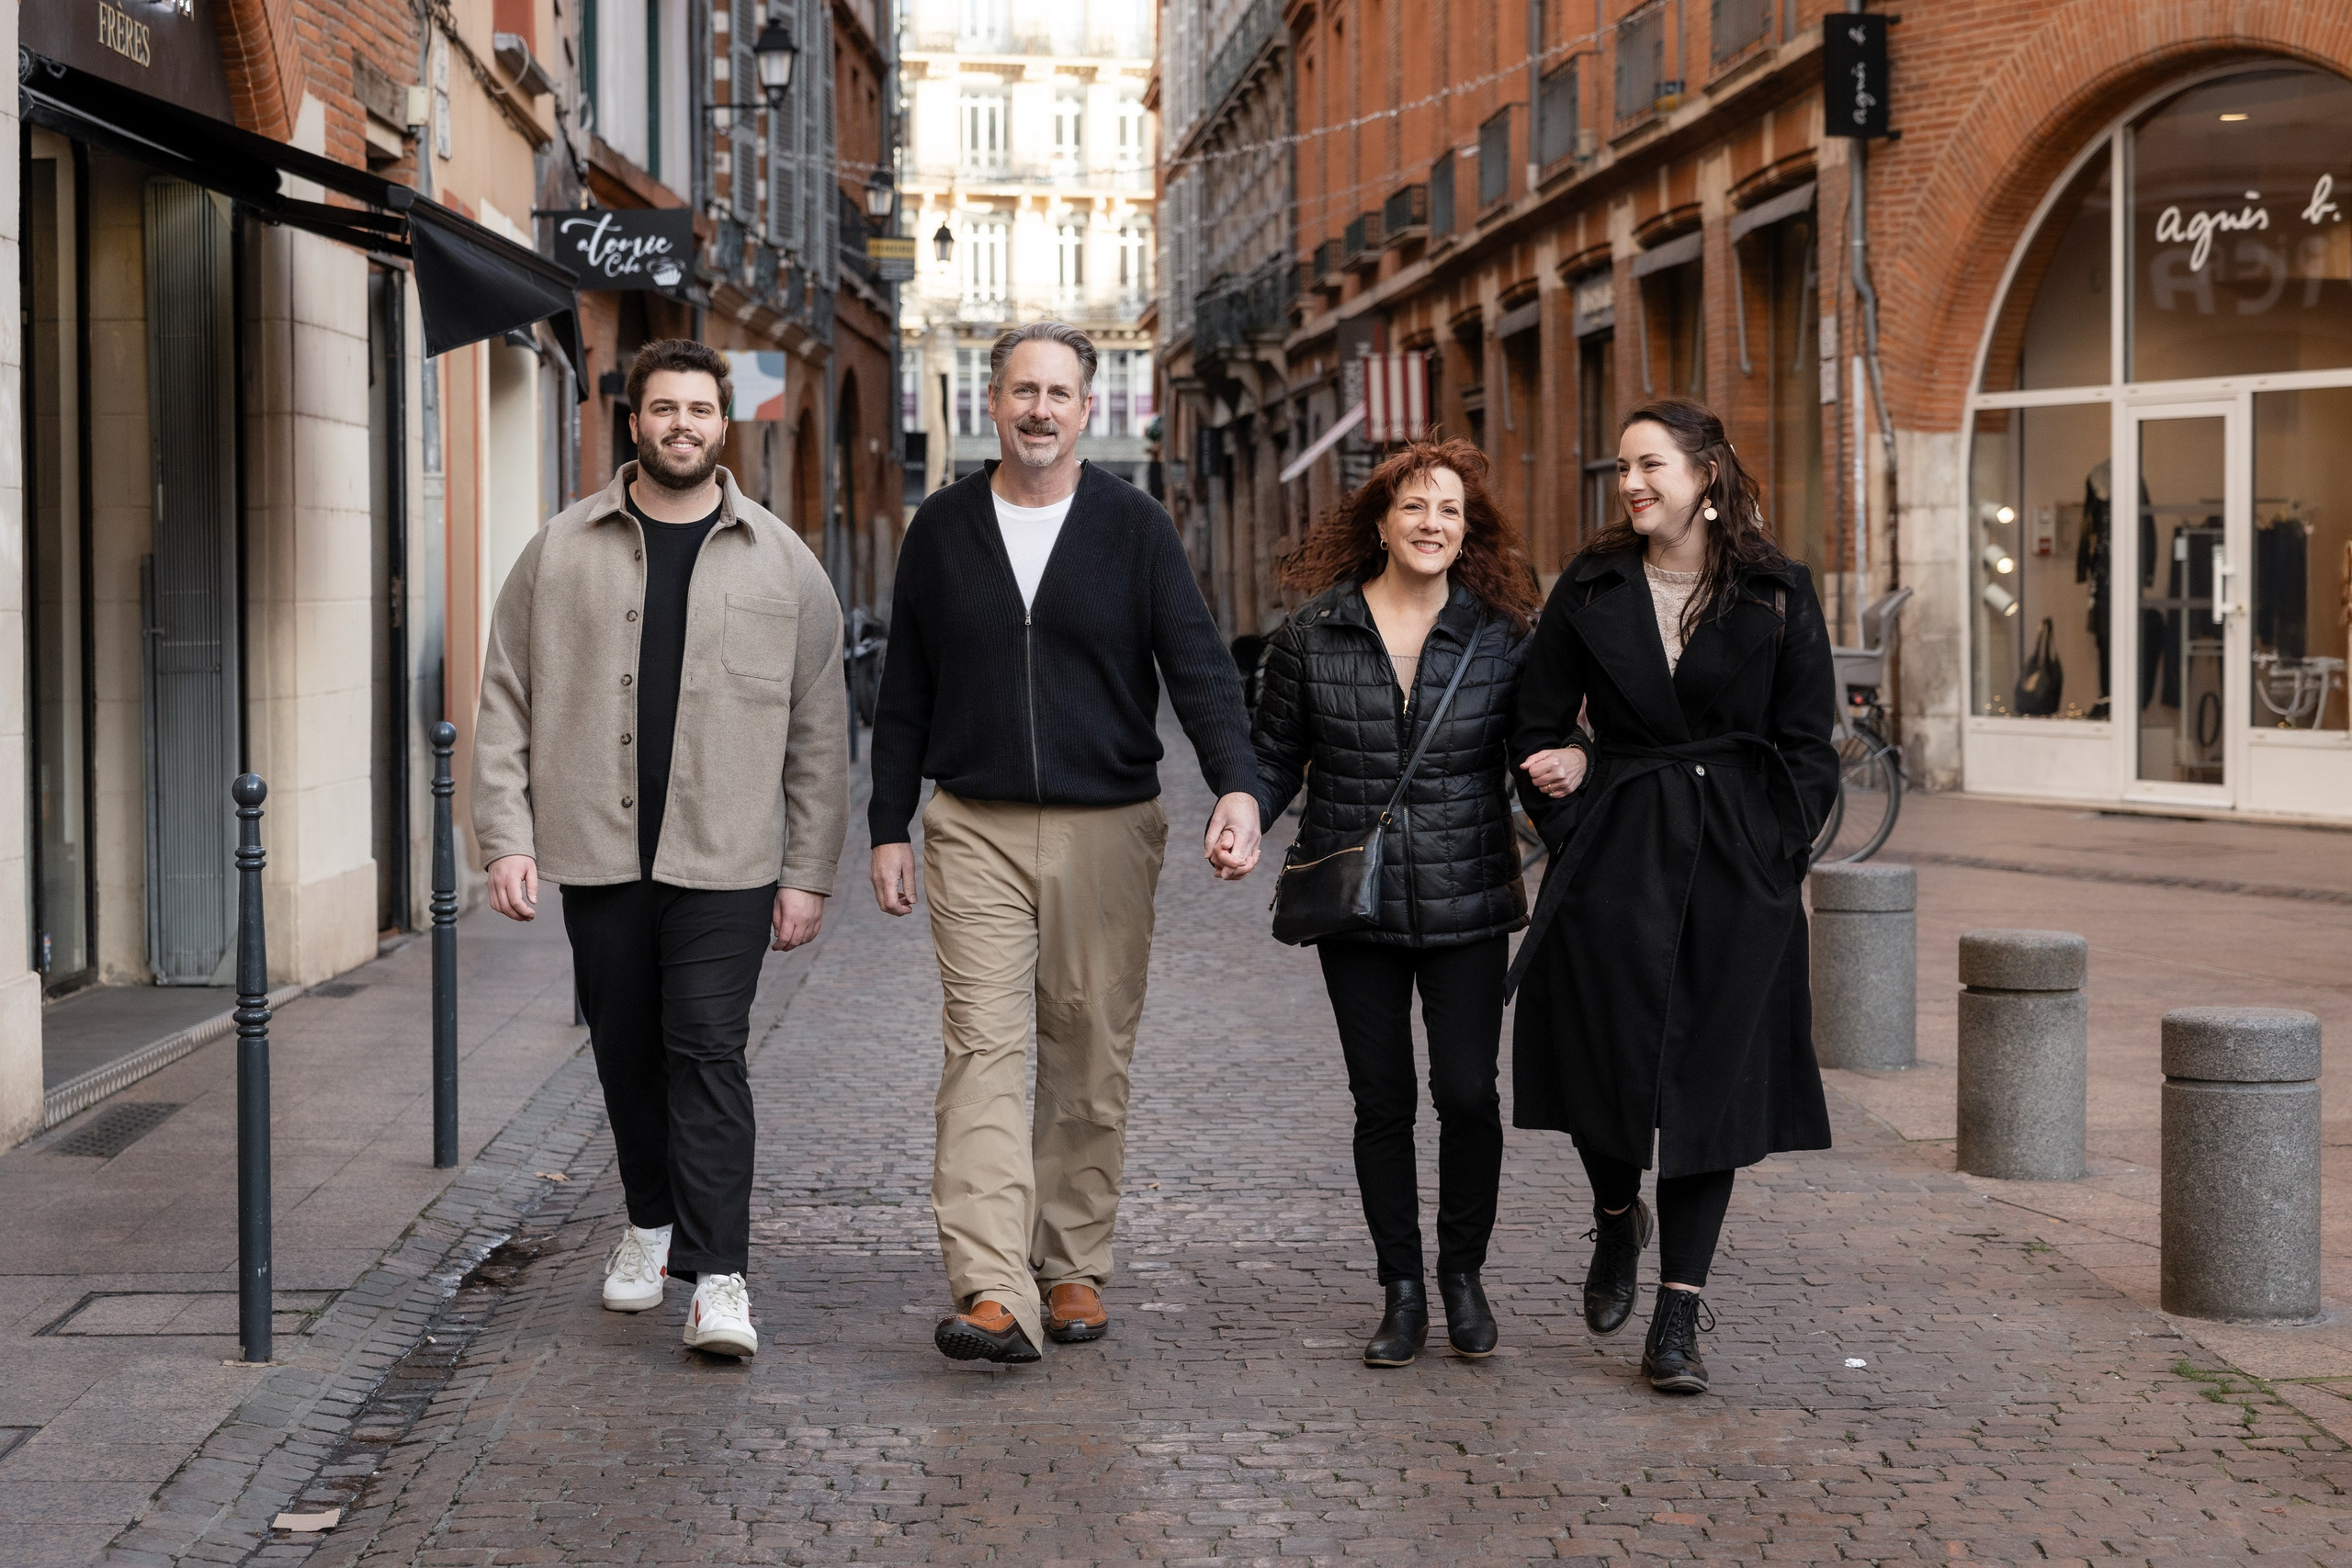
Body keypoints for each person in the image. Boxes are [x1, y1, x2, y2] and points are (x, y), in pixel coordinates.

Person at [867, 321, 1262, 1365]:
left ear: (1090, 409)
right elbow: (903, 687)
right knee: (983, 1054)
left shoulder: (1133, 527)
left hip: (1109, 826)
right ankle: (994, 1286)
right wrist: (887, 824)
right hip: (974, 825)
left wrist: (1239, 786)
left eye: (1058, 393)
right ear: (989, 405)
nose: (1039, 409)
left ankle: (1070, 1261)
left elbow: (1198, 665)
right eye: (1020, 391)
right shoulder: (942, 529)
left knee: (1088, 1051)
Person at [473, 339, 849, 1359]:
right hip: (598, 855)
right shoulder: (560, 550)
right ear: (631, 422)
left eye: (699, 409)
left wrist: (809, 871)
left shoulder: (784, 563)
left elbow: (820, 729)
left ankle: (719, 1277)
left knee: (707, 1050)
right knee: (626, 1051)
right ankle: (648, 1227)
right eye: (662, 408)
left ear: (723, 425)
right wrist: (505, 838)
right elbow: (504, 695)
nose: (681, 424)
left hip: (727, 859)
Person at [1509, 396, 1839, 1395]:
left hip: (1736, 870)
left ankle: (1678, 1316)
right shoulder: (1592, 583)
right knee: (1602, 1070)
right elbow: (1529, 723)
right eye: (1622, 469)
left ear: (1704, 475)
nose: (1632, 484)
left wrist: (1772, 852)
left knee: (1711, 1092)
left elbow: (1808, 747)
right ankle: (1617, 1217)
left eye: (1650, 465)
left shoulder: (1778, 591)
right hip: (1615, 850)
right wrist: (1570, 809)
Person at [1250, 438, 1540, 1368]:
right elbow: (1269, 758)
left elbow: (1534, 757)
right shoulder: (1312, 635)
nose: (1431, 524)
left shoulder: (1499, 634)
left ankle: (1463, 1274)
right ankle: (1402, 1290)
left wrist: (1578, 788)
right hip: (1358, 905)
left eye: (1448, 511)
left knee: (1467, 1095)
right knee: (1382, 1103)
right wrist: (1241, 815)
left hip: (1467, 895)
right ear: (1380, 522)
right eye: (1414, 507)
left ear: (1467, 531)